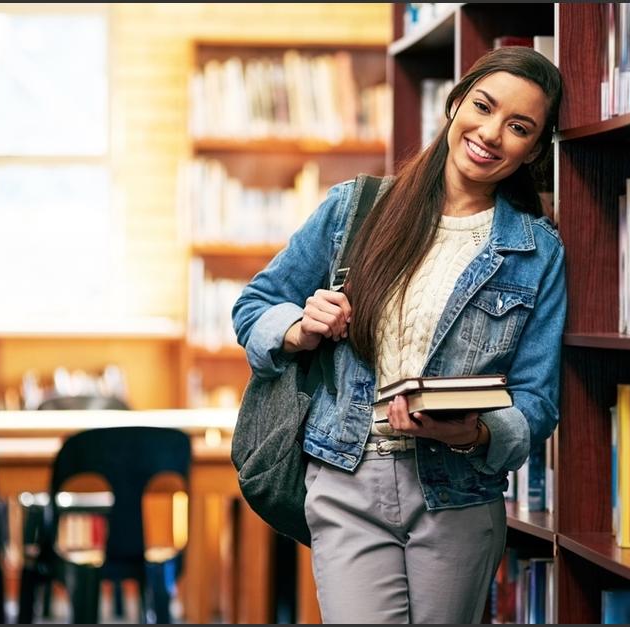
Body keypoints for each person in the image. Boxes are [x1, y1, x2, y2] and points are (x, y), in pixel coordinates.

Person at [232, 46, 565, 624]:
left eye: (518, 127)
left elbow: (538, 400)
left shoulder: (538, 252)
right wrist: (298, 328)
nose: (490, 133)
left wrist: (475, 432)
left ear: (533, 150)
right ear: (455, 102)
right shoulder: (354, 209)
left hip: (459, 492)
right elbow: (255, 305)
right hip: (346, 475)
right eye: (482, 107)